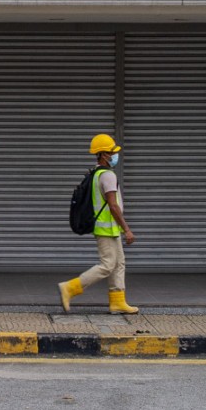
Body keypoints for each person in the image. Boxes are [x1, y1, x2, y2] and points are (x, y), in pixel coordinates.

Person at [57, 134, 138, 314]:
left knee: (119, 263)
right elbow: (113, 205)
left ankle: (118, 301)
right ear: (103, 155)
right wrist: (127, 229)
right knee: (108, 264)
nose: (115, 155)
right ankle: (70, 288)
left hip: (109, 228)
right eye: (112, 152)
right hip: (106, 229)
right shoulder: (107, 175)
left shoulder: (95, 173)